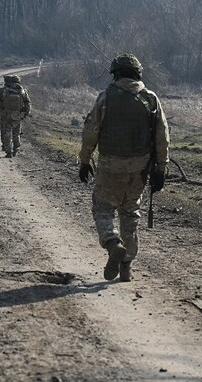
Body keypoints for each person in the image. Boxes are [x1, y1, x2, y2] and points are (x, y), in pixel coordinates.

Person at [78, 54, 170, 282]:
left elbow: (91, 132)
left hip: (110, 166)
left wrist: (84, 160)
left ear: (115, 74)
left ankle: (112, 242)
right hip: (139, 169)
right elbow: (162, 136)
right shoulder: (150, 99)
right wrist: (161, 169)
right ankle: (126, 265)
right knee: (130, 214)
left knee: (103, 208)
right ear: (138, 73)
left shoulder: (106, 97)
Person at [0, 74, 31, 158]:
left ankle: (8, 151)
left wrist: (1, 112)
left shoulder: (4, 90)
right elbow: (27, 103)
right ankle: (16, 149)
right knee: (16, 133)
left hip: (6, 115)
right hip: (18, 115)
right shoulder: (22, 91)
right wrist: (25, 113)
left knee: (7, 133)